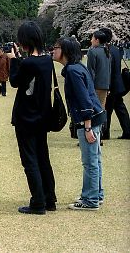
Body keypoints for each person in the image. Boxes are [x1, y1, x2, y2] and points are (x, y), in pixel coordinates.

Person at [8, 21, 56, 215]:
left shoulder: (28, 63)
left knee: (30, 160)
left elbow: (14, 81)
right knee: (43, 158)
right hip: (42, 117)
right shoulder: (46, 60)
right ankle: (49, 199)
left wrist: (13, 60)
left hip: (26, 118)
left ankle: (37, 203)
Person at [52, 37, 104, 210]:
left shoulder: (73, 71)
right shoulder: (77, 68)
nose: (53, 50)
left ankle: (90, 200)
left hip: (88, 120)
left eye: (56, 47)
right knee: (95, 160)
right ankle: (96, 193)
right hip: (95, 117)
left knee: (90, 161)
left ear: (65, 51)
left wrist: (87, 126)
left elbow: (84, 100)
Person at [99, 28, 130, 140]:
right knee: (120, 108)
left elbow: (108, 71)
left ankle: (105, 133)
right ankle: (127, 131)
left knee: (107, 109)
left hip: (111, 85)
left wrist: (106, 86)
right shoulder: (116, 50)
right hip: (118, 84)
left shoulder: (105, 51)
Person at [87, 30, 111, 109]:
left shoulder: (92, 52)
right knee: (101, 109)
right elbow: (109, 70)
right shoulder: (107, 52)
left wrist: (89, 87)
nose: (91, 40)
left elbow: (91, 71)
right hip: (105, 85)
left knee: (94, 110)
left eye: (92, 38)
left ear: (97, 40)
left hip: (95, 86)